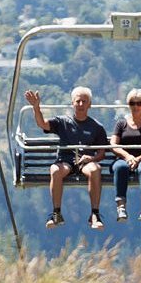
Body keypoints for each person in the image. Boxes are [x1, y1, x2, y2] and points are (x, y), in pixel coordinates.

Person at [24, 86, 108, 230]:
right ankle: (56, 213)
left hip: (84, 161)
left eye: (84, 101)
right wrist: (36, 107)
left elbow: (102, 152)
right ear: (72, 103)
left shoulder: (96, 127)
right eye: (78, 101)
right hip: (66, 161)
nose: (81, 104)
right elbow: (42, 124)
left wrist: (91, 159)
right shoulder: (62, 122)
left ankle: (95, 214)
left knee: (95, 170)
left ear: (90, 104)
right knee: (55, 170)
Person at [110, 88, 141, 223]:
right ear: (128, 105)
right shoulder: (121, 124)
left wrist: (137, 159)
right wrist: (127, 157)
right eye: (132, 103)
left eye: (139, 103)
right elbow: (114, 144)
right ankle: (121, 206)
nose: (136, 106)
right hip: (123, 159)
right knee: (120, 168)